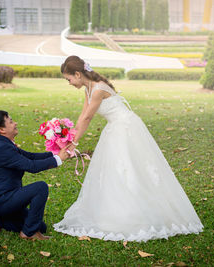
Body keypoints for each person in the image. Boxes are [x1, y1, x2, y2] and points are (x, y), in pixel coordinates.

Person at [53, 56, 204, 242]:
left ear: (77, 74)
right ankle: (115, 210)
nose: (69, 83)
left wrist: (73, 144)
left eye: (68, 79)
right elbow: (82, 116)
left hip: (125, 127)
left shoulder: (98, 88)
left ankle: (135, 212)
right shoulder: (88, 88)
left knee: (129, 167)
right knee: (114, 170)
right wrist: (70, 138)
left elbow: (87, 119)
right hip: (114, 127)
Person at [0, 110, 70, 241]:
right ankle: (28, 233)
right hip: (1, 200)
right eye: (11, 121)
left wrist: (56, 153)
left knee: (41, 226)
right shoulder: (3, 148)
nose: (15, 123)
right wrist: (58, 160)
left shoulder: (5, 144)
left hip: (9, 198)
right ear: (2, 129)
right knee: (40, 187)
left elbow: (31, 156)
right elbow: (32, 166)